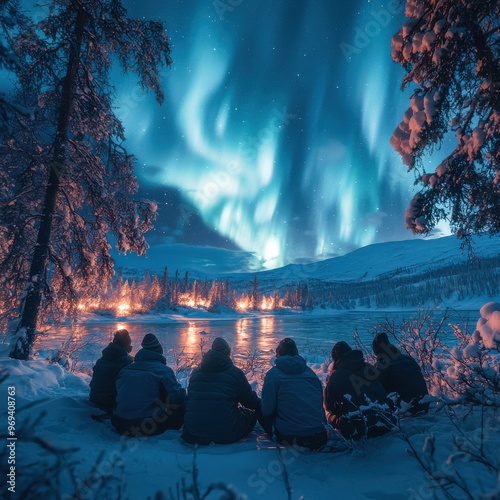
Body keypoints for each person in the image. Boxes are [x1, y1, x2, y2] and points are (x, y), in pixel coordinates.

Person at [181, 337, 261, 445]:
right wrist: (261, 405)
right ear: (228, 354)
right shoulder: (235, 373)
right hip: (226, 433)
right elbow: (249, 402)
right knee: (250, 416)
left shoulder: (195, 373)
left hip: (192, 433)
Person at [111, 333, 187, 436]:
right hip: (145, 426)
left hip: (119, 423)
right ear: (159, 352)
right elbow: (176, 397)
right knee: (184, 404)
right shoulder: (163, 371)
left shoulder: (125, 370)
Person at [261, 338, 327, 450]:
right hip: (319, 435)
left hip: (289, 437)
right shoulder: (310, 374)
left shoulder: (273, 375)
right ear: (296, 353)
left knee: (261, 407)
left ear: (278, 354)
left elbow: (267, 410)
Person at [324, 341, 395, 440]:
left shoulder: (337, 376)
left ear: (336, 360)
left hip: (361, 429)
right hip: (386, 421)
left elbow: (329, 406)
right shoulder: (369, 368)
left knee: (330, 415)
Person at [372, 332, 429, 415]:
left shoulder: (382, 366)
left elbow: (378, 390)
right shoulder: (408, 359)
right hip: (424, 404)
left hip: (407, 409)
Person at [89, 329, 133, 413]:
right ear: (127, 345)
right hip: (108, 402)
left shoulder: (103, 359)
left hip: (94, 398)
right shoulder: (126, 363)